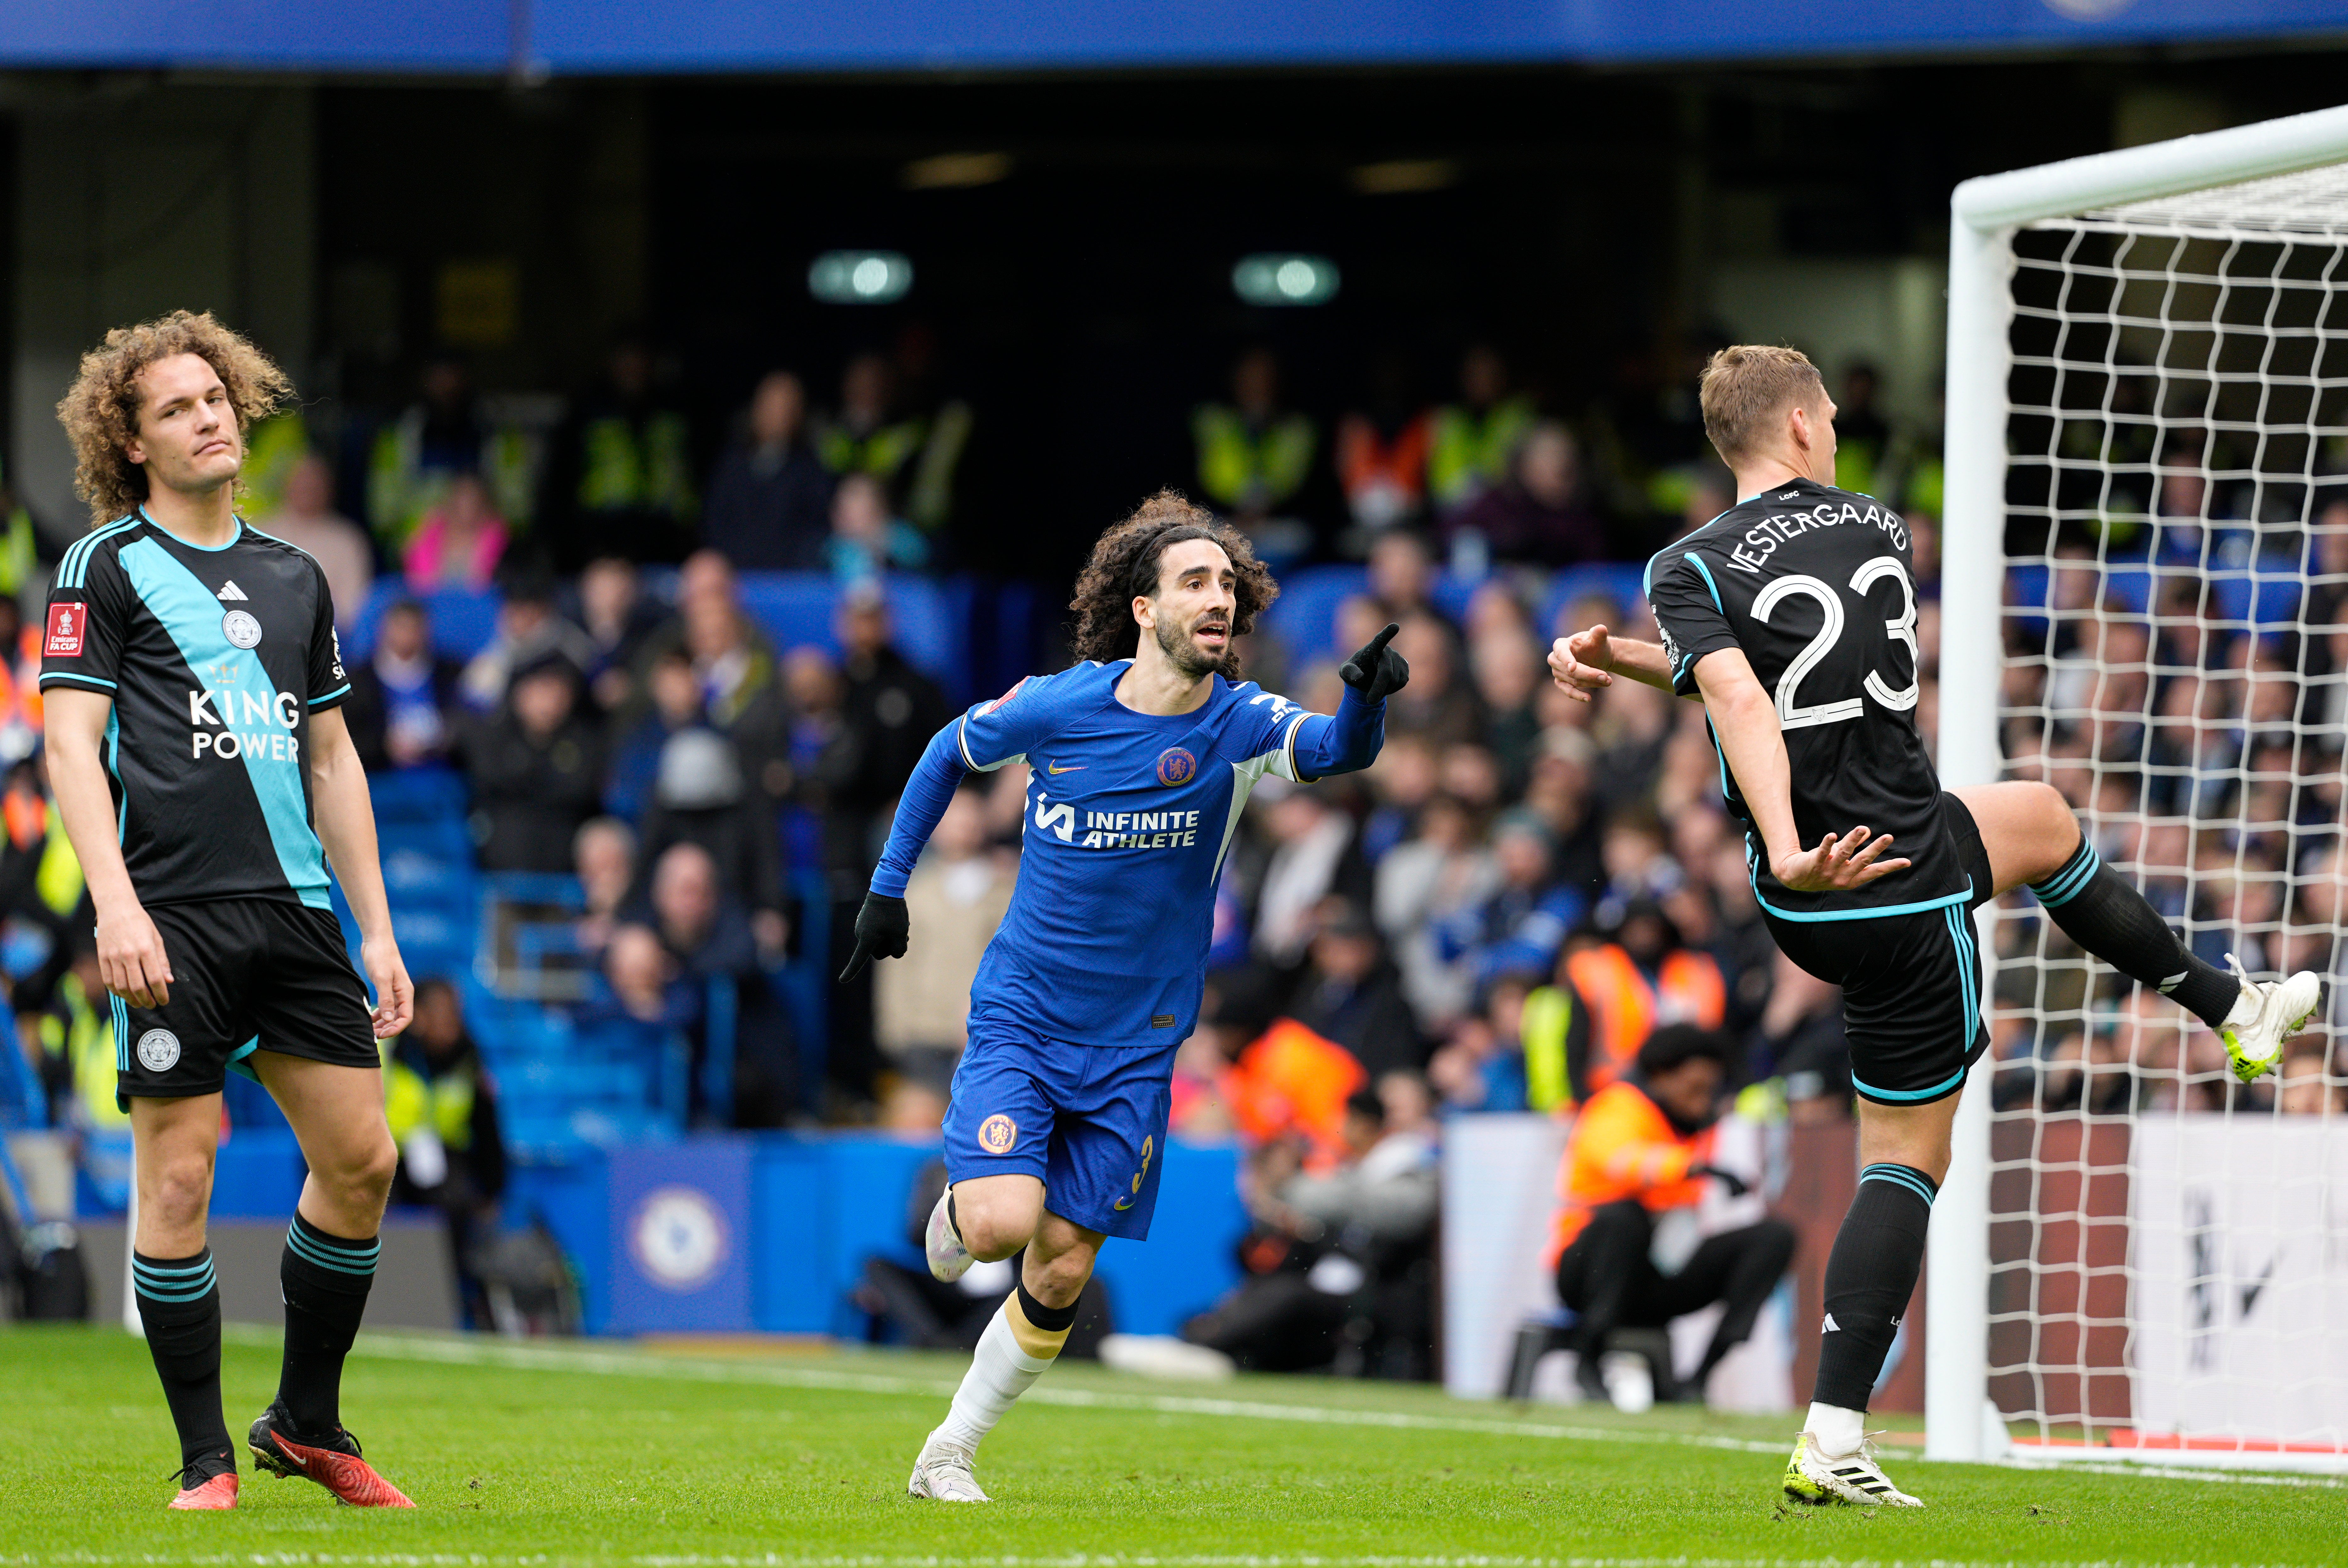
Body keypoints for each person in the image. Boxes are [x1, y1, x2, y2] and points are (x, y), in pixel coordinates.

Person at [1547, 342, 2321, 1507]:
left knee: (2037, 818)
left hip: (1796, 896)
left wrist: (1648, 684)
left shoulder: (1681, 564)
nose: (1838, 435)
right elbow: (1770, 691)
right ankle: (1833, 1433)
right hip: (1899, 881)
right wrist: (1806, 832)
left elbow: (1744, 688)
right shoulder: (1872, 525)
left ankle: (2230, 1005)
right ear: (1805, 423)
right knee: (1906, 1161)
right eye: (1829, 417)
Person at [841, 490, 1407, 1502]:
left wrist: (1365, 697)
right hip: (1026, 1012)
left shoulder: (1241, 724)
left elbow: (1336, 751)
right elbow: (944, 752)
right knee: (1005, 1227)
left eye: (1228, 585)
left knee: (1061, 1271)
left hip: (1139, 1044)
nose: (1218, 599)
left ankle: (950, 1451)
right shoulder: (1063, 705)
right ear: (1143, 607)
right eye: (1195, 581)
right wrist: (887, 892)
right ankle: (964, 1218)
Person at [44, 311, 416, 1509]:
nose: (208, 417)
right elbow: (67, 748)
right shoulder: (102, 566)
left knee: (363, 1159)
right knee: (179, 1179)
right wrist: (116, 905)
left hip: (298, 912)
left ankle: (306, 1419)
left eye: (216, 397)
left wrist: (378, 926)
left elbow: (335, 763)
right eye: (176, 408)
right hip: (172, 917)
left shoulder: (295, 574)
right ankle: (206, 1458)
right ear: (133, 442)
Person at [1548, 1025, 1792, 1407]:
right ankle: (1589, 1359)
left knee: (1774, 1237)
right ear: (1662, 1076)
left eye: (1710, 1089)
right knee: (1626, 1219)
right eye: (1694, 1088)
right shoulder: (1617, 1106)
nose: (1703, 1099)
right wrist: (1692, 1167)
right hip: (1588, 1272)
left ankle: (1699, 1377)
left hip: (1657, 1274)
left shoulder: (1697, 1125)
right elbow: (1623, 1162)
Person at [702, 370, 833, 570]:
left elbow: (817, 532)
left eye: (786, 409)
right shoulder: (731, 465)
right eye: (771, 408)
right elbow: (714, 524)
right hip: (735, 578)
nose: (778, 417)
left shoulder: (811, 470)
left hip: (789, 583)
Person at [340, 599, 465, 773]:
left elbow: (467, 724)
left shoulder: (450, 674)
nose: (407, 635)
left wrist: (446, 741)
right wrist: (385, 747)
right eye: (400, 627)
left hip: (440, 777)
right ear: (383, 630)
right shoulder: (358, 681)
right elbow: (346, 740)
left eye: (414, 628)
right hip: (381, 777)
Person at [262, 454, 372, 629]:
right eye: (302, 483)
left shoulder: (348, 540)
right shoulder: (259, 533)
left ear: (330, 490)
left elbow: (353, 610)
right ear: (287, 486)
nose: (308, 490)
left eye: (315, 485)